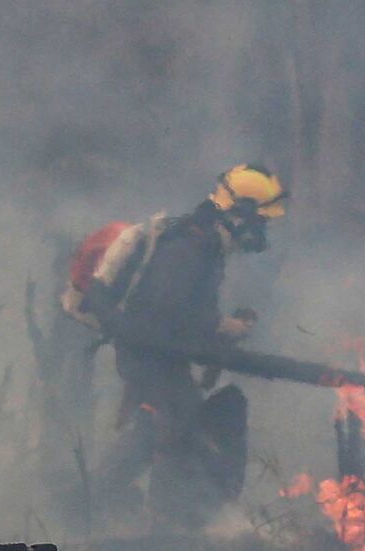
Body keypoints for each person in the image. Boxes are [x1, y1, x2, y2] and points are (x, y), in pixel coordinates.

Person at [100, 165, 287, 522]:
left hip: (160, 354)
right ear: (240, 214)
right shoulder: (191, 246)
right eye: (260, 220)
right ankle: (98, 498)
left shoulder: (206, 245)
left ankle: (137, 505)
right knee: (168, 422)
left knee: (176, 420)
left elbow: (183, 312)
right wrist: (219, 325)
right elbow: (164, 305)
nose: (261, 230)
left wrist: (220, 331)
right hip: (148, 352)